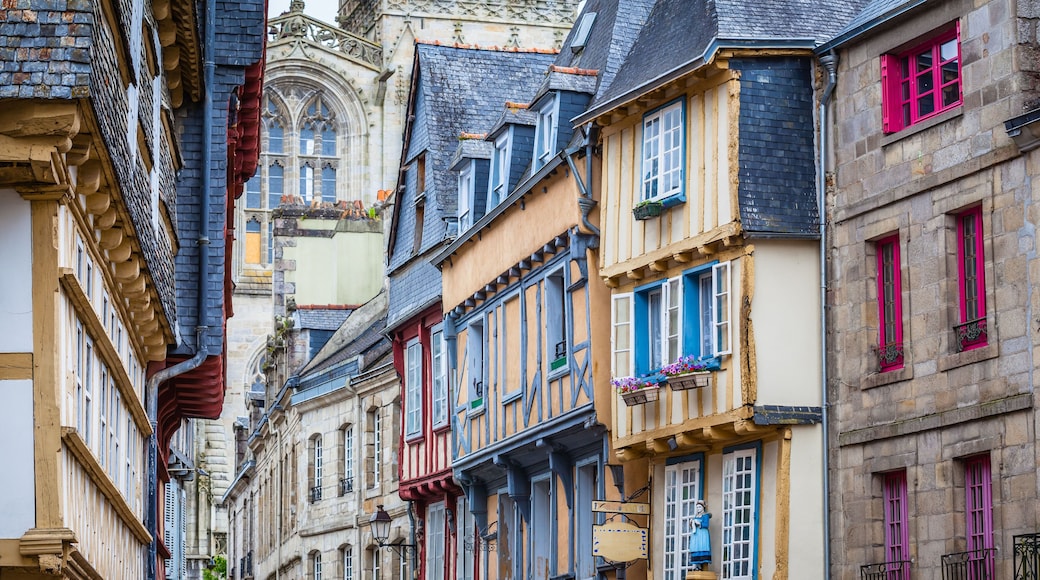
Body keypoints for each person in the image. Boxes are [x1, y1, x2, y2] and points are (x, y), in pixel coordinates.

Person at [688, 500, 711, 569]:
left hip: (702, 533)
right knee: (695, 546)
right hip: (696, 534)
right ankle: (696, 563)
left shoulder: (705, 515)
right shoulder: (696, 516)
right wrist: (691, 523)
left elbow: (706, 524)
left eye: (699, 507)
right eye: (697, 507)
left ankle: (701, 562)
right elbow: (692, 526)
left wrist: (699, 523)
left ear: (703, 507)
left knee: (702, 545)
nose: (698, 509)